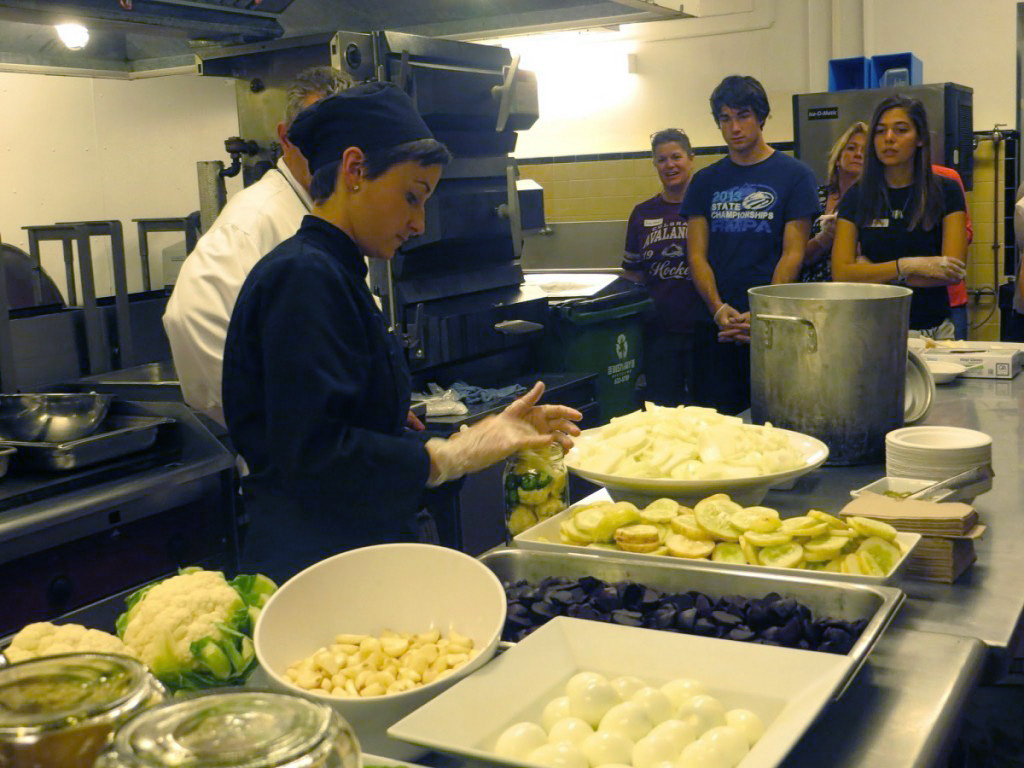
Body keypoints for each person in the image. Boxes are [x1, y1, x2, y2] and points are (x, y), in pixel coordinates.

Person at [221, 82, 582, 581]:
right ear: (354, 169)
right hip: (317, 570)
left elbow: (344, 422)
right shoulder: (302, 276)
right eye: (412, 197)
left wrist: (472, 435)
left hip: (354, 553)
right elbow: (314, 455)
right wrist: (451, 454)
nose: (418, 222)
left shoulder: (336, 270)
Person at [163, 66, 351, 426]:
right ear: (285, 138)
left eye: (344, 139)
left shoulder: (333, 211)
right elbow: (189, 319)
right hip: (294, 456)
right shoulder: (252, 221)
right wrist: (274, 420)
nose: (333, 152)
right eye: (318, 136)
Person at [680, 75, 819, 414]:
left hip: (774, 325)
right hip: (716, 326)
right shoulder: (705, 180)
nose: (735, 127)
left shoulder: (795, 175)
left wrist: (764, 313)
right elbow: (696, 254)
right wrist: (716, 308)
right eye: (725, 119)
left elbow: (793, 253)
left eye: (743, 115)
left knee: (775, 422)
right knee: (714, 427)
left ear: (760, 117)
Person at [832, 95, 967, 338]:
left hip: (933, 331)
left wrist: (875, 275)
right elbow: (841, 273)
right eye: (880, 131)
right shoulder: (857, 196)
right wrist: (909, 266)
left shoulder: (946, 190)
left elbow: (952, 271)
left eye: (901, 130)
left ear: (920, 138)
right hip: (872, 329)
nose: (889, 138)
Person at [622, 128, 701, 406]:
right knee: (664, 410)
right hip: (659, 333)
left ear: (691, 159)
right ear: (655, 164)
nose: (670, 165)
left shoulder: (706, 208)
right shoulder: (643, 213)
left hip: (703, 329)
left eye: (676, 157)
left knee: (705, 409)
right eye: (662, 159)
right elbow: (633, 275)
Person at [800, 121, 867, 282]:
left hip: (857, 290)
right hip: (811, 291)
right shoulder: (815, 196)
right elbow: (796, 257)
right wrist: (824, 237)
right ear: (838, 158)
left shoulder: (879, 202)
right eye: (851, 148)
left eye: (866, 151)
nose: (858, 154)